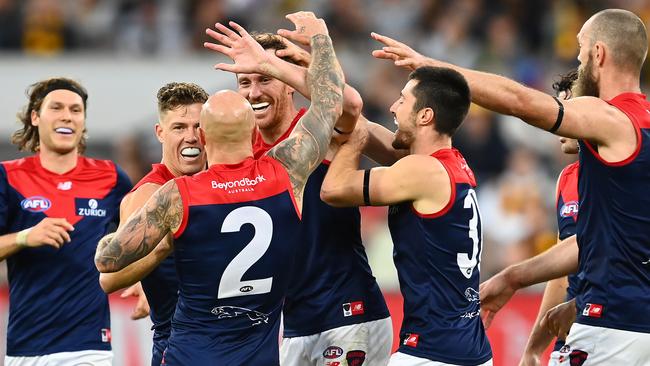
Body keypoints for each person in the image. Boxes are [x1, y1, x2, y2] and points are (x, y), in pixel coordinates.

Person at [371, 8, 650, 364]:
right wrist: (516, 278)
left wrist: (438, 72)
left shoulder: (613, 118)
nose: (577, 64)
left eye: (580, 51)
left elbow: (522, 102)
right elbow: (596, 241)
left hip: (611, 325)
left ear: (598, 54)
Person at [95, 11, 345, 365]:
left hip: (188, 353)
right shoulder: (285, 171)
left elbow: (107, 260)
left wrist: (162, 241)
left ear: (204, 136)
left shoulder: (177, 195)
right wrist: (320, 38)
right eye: (179, 126)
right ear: (252, 132)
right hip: (258, 352)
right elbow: (330, 103)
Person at [204, 20, 392, 365]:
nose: (253, 92)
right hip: (292, 326)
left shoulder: (319, 132)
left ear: (290, 84)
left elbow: (348, 104)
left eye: (265, 79)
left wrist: (305, 51)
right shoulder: (242, 154)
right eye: (244, 82)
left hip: (348, 314)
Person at [321, 66, 493, 365]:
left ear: (425, 115)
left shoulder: (421, 171)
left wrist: (353, 143)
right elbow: (356, 117)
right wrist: (310, 71)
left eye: (402, 100)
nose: (392, 107)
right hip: (466, 347)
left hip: (433, 351)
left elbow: (333, 189)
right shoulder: (448, 163)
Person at [0, 77, 131, 365]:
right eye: (56, 107)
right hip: (25, 346)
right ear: (35, 116)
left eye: (75, 110)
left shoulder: (111, 178)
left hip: (88, 345)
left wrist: (146, 285)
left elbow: (144, 236)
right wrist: (25, 237)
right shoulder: (8, 177)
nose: (67, 116)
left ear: (83, 121)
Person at [97, 82, 209, 366]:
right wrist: (159, 251)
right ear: (160, 133)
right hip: (179, 348)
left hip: (230, 342)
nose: (191, 136)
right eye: (179, 127)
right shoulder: (147, 197)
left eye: (198, 126)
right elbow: (109, 279)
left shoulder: (216, 184)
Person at [520, 71, 580, 366]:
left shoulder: (633, 172)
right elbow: (561, 274)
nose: (558, 128)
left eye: (565, 113)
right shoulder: (567, 179)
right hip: (574, 337)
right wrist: (533, 350)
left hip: (624, 328)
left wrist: (580, 306)